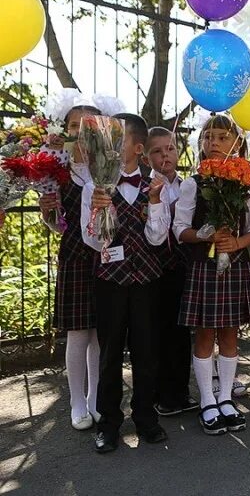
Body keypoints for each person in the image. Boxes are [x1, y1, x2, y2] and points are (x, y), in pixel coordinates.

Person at [80, 112, 170, 453]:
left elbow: (158, 238)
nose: (109, 147)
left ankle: (146, 418)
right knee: (110, 354)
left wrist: (155, 203)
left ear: (136, 148)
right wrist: (98, 213)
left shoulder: (154, 184)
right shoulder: (94, 185)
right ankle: (109, 423)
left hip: (147, 280)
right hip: (110, 281)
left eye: (116, 141)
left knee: (147, 352)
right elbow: (92, 242)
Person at [173, 114, 250, 436]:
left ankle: (225, 398)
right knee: (205, 334)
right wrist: (206, 234)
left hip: (234, 264)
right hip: (204, 266)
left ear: (236, 143)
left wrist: (236, 242)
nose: (214, 143)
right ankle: (207, 400)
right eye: (208, 137)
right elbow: (180, 229)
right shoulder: (193, 184)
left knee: (229, 334)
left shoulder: (245, 183)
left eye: (223, 137)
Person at [39, 90, 102, 431]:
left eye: (88, 125)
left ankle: (94, 398)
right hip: (76, 257)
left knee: (99, 334)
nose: (80, 131)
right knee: (78, 333)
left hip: (105, 257)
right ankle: (77, 401)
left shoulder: (107, 166)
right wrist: (49, 214)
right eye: (74, 125)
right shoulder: (58, 170)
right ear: (65, 129)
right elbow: (57, 225)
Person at [143, 127, 198, 417]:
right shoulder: (148, 186)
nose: (166, 155)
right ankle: (162, 394)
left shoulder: (187, 184)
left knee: (181, 332)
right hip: (157, 267)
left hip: (182, 265)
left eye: (171, 148)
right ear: (146, 156)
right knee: (160, 332)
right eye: (157, 151)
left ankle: (182, 390)